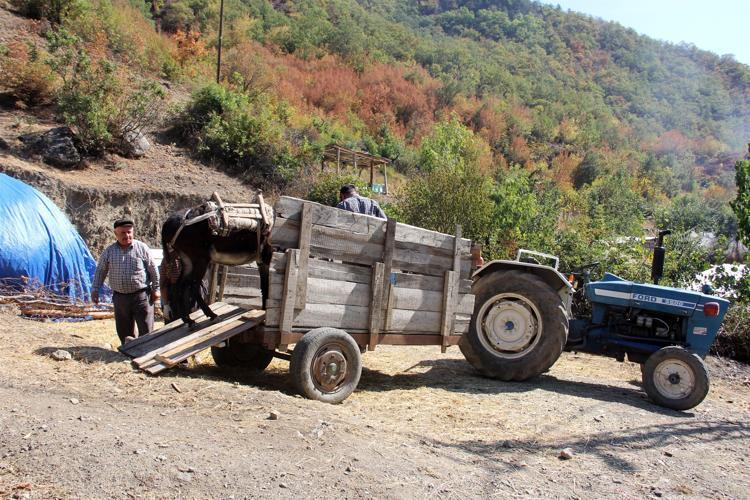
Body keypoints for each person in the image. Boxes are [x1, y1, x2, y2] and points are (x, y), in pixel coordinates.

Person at [91, 218, 160, 345]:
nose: (127, 235)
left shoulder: (141, 248)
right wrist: (95, 289)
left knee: (146, 330)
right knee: (124, 331)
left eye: (129, 232)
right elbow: (101, 271)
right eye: (123, 233)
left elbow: (153, 270)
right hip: (120, 298)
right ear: (115, 234)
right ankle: (128, 353)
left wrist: (156, 289)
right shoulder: (110, 251)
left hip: (141, 297)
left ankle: (146, 354)